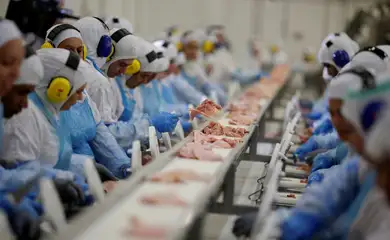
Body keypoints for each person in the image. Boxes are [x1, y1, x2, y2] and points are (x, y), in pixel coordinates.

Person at [41, 23, 130, 179]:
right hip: (65, 181)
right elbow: (47, 157)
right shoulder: (43, 97)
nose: (75, 55)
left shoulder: (82, 89)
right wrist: (87, 168)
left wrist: (123, 166)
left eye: (79, 50)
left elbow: (102, 137)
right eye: (69, 49)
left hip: (87, 179)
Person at [179, 30, 226, 105]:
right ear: (183, 50)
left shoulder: (195, 66)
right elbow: (189, 93)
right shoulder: (179, 68)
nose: (194, 51)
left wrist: (222, 98)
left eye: (195, 48)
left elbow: (207, 85)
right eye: (190, 48)